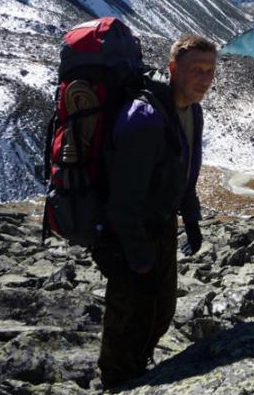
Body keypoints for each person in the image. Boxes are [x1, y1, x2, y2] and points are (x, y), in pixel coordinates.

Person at [92, 34, 217, 390]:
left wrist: (191, 220)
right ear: (173, 68)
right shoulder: (143, 119)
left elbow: (186, 173)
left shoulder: (193, 110)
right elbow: (122, 200)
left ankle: (139, 370)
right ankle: (116, 381)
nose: (205, 78)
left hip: (161, 227)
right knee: (128, 315)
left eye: (210, 71)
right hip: (127, 235)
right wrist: (138, 255)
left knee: (160, 311)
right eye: (197, 70)